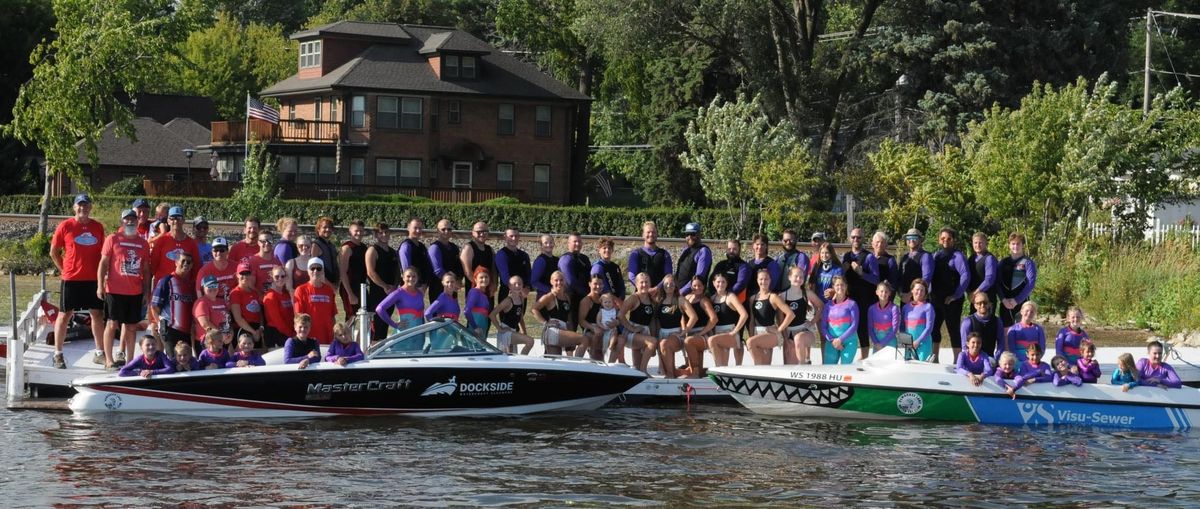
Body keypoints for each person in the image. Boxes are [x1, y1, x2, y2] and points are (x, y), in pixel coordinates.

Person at [50, 194, 108, 369]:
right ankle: (58, 354)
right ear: (74, 208)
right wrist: (64, 270)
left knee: (97, 315)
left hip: (92, 279)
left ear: (90, 207)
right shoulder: (65, 226)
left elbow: (103, 255)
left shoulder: (97, 227)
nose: (83, 208)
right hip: (71, 279)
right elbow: (54, 252)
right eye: (79, 205)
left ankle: (99, 353)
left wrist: (103, 276)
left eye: (86, 205)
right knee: (64, 315)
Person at [97, 208, 151, 369]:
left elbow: (147, 270)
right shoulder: (113, 238)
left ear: (137, 221)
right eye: (127, 219)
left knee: (131, 327)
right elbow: (103, 264)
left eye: (133, 219)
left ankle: (130, 362)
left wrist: (146, 292)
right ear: (122, 221)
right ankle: (109, 360)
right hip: (114, 290)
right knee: (112, 324)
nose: (130, 221)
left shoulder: (143, 243)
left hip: (134, 291)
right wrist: (100, 286)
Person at [931, 228, 970, 362]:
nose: (945, 241)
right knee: (934, 328)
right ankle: (934, 357)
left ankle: (957, 361)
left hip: (952, 300)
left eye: (949, 239)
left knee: (953, 330)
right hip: (936, 299)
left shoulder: (958, 256)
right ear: (939, 240)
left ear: (953, 240)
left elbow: (965, 276)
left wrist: (956, 295)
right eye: (943, 238)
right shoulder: (935, 255)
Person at [532, 271, 592, 357]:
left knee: (555, 362)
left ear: (565, 281)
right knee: (584, 340)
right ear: (551, 281)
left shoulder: (566, 297)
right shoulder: (550, 296)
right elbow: (534, 309)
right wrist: (545, 323)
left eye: (561, 280)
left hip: (561, 331)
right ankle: (577, 365)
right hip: (553, 331)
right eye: (556, 280)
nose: (559, 283)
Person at [150, 251, 196, 355]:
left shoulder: (190, 284)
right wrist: (160, 324)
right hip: (170, 329)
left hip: (186, 331)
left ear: (192, 265)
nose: (185, 264)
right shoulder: (166, 281)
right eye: (182, 261)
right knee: (173, 360)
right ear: (176, 262)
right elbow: (154, 306)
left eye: (188, 262)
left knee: (185, 362)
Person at [747, 269, 795, 365]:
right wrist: (751, 335)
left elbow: (791, 314)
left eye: (766, 279)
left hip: (770, 333)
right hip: (757, 333)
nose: (763, 281)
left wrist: (779, 330)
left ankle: (757, 370)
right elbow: (752, 320)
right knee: (765, 365)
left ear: (770, 280)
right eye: (761, 279)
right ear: (757, 280)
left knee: (750, 343)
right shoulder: (753, 298)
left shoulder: (773, 297)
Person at [655, 275, 698, 378]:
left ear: (675, 286)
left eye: (672, 283)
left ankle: (671, 375)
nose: (669, 286)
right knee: (664, 370)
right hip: (662, 333)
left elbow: (694, 317)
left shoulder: (680, 299)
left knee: (664, 344)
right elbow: (655, 321)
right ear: (663, 285)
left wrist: (684, 331)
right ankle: (685, 372)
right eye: (666, 284)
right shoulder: (659, 300)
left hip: (676, 335)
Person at [842, 227, 875, 359]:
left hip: (864, 297)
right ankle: (846, 355)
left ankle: (864, 358)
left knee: (862, 328)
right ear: (850, 238)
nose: (856, 239)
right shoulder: (846, 256)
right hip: (849, 297)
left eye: (859, 237)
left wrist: (862, 273)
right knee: (846, 326)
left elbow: (876, 279)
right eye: (853, 237)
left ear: (863, 239)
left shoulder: (869, 257)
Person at [780, 266, 823, 364]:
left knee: (798, 338)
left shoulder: (806, 293)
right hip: (789, 332)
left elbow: (821, 306)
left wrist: (812, 322)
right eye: (796, 276)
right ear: (789, 277)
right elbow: (780, 319)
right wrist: (785, 337)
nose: (799, 279)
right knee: (789, 366)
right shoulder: (782, 296)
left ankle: (803, 366)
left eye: (801, 277)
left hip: (804, 331)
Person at [364, 223, 399, 342]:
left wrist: (394, 287)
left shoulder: (393, 252)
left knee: (385, 323)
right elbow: (370, 272)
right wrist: (384, 286)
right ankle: (372, 350)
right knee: (376, 326)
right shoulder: (372, 250)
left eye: (386, 232)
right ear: (375, 234)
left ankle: (381, 348)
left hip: (391, 294)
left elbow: (397, 273)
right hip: (377, 294)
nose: (384, 235)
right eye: (381, 232)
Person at [706, 273, 749, 367]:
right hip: (717, 332)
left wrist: (735, 331)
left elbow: (744, 314)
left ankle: (720, 371)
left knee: (713, 341)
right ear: (713, 283)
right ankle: (720, 375)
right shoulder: (712, 298)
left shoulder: (730, 297)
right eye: (718, 282)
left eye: (723, 282)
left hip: (729, 332)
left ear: (726, 284)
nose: (720, 284)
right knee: (722, 364)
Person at [620, 272, 660, 373]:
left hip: (644, 333)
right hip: (631, 333)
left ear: (650, 283)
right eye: (641, 282)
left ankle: (640, 373)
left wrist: (653, 335)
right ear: (636, 284)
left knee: (637, 368)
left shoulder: (651, 300)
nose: (644, 285)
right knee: (652, 342)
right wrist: (631, 328)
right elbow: (620, 315)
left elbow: (652, 321)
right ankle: (644, 371)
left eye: (646, 282)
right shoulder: (634, 298)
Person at [293, 257, 337, 344]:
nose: (315, 271)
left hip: (327, 336)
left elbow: (332, 315)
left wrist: (334, 333)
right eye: (312, 268)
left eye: (319, 268)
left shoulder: (329, 290)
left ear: (323, 271)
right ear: (308, 271)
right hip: (309, 337)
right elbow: (299, 317)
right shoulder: (301, 290)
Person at [998, 232, 1037, 327]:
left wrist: (1017, 300)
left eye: (1018, 244)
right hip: (1005, 302)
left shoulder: (1028, 262)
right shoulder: (1003, 262)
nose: (1015, 246)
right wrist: (1003, 299)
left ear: (1023, 245)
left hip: (1021, 302)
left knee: (1021, 331)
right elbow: (997, 282)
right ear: (1009, 245)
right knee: (1005, 331)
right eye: (1013, 244)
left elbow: (1030, 283)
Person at [680, 276, 717, 377]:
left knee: (689, 341)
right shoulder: (687, 298)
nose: (697, 288)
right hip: (690, 332)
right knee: (689, 342)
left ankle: (695, 372)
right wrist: (685, 330)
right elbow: (682, 315)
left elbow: (714, 319)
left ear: (704, 286)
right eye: (694, 285)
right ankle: (699, 371)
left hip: (703, 333)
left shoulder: (704, 301)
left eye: (699, 285)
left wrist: (702, 332)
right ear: (691, 286)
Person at [491, 275, 535, 355]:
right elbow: (492, 315)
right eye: (514, 284)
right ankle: (522, 362)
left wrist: (524, 332)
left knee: (512, 355)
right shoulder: (508, 301)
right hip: (506, 331)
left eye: (519, 284)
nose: (517, 286)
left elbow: (520, 318)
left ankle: (518, 364)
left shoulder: (521, 299)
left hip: (514, 331)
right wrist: (500, 329)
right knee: (530, 341)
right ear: (509, 286)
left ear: (522, 286)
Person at [375, 268, 427, 335]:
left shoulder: (419, 293)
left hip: (419, 335)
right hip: (404, 335)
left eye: (414, 276)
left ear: (417, 278)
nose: (411, 279)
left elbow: (421, 314)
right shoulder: (398, 293)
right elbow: (379, 309)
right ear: (403, 277)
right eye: (408, 276)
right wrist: (394, 325)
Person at [820, 276, 857, 365]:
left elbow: (854, 325)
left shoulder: (852, 304)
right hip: (831, 342)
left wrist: (840, 340)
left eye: (842, 285)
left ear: (846, 286)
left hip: (849, 343)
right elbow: (823, 327)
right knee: (828, 370)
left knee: (845, 371)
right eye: (837, 285)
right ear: (833, 287)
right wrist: (833, 340)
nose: (840, 287)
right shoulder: (828, 306)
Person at [627, 221, 672, 290]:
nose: (651, 234)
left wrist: (656, 289)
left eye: (653, 232)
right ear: (643, 235)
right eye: (648, 232)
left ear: (657, 234)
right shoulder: (635, 254)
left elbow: (668, 276)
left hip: (659, 294)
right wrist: (644, 288)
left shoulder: (665, 254)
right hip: (641, 295)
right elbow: (631, 276)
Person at [960, 291, 1005, 359]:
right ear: (975, 305)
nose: (982, 305)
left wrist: (996, 358)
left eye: (985, 302)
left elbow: (1001, 343)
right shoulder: (968, 322)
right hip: (973, 360)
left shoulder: (997, 321)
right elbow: (964, 346)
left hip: (990, 359)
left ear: (989, 304)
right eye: (979, 303)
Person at [578, 276, 614, 360]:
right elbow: (581, 320)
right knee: (597, 336)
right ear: (589, 284)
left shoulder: (604, 298)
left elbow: (613, 313)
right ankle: (591, 355)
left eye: (600, 284)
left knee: (620, 339)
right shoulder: (586, 300)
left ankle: (611, 364)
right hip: (591, 330)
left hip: (604, 328)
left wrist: (615, 322)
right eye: (595, 284)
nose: (598, 286)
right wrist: (593, 328)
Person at [338, 220, 369, 318]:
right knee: (351, 317)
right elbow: (343, 273)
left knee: (364, 316)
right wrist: (350, 294)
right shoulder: (347, 248)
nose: (359, 233)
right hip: (350, 287)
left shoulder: (364, 247)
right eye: (356, 230)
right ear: (350, 231)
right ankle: (345, 334)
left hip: (362, 287)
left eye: (361, 230)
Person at [229, 262, 264, 348]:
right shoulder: (235, 293)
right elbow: (238, 318)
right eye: (242, 274)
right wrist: (253, 332)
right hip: (244, 329)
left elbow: (260, 314)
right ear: (237, 275)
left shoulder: (255, 292)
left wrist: (260, 329)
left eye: (247, 273)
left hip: (257, 330)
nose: (245, 276)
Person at [193, 275, 231, 353]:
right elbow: (205, 324)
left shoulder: (222, 301)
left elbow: (228, 320)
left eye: (215, 285)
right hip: (208, 342)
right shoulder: (201, 303)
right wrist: (220, 336)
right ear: (203, 288)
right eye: (209, 286)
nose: (212, 288)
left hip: (224, 340)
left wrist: (230, 334)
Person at [428, 218, 464, 299]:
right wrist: (452, 282)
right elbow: (438, 271)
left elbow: (459, 266)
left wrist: (459, 279)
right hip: (438, 288)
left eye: (449, 229)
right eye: (443, 229)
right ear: (437, 231)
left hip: (452, 288)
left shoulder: (454, 247)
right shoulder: (434, 248)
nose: (446, 231)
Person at [398, 217, 435, 296]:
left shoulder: (422, 246)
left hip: (421, 288)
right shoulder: (406, 246)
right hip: (410, 289)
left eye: (420, 228)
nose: (418, 231)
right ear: (408, 227)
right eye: (415, 228)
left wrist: (425, 284)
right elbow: (406, 270)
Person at [901, 279, 936, 362]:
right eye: (917, 290)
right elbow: (902, 326)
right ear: (912, 290)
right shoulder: (905, 307)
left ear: (925, 293)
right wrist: (903, 340)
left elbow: (929, 328)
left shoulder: (928, 307)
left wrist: (918, 342)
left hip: (923, 345)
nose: (919, 292)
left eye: (922, 290)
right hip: (908, 345)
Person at [261, 265, 295, 350]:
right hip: (276, 335)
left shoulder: (286, 294)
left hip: (288, 334)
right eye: (276, 276)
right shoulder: (270, 296)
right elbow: (277, 321)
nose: (280, 279)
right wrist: (292, 334)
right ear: (272, 277)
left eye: (283, 276)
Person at [898, 228, 933, 305]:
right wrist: (901, 294)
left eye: (914, 237)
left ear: (920, 240)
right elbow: (899, 277)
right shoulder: (905, 257)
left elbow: (926, 279)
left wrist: (910, 294)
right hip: (905, 299)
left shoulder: (925, 256)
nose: (911, 240)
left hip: (920, 299)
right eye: (909, 238)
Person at [676, 222, 712, 296]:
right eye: (687, 234)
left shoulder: (703, 251)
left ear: (699, 235)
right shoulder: (686, 251)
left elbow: (699, 277)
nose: (689, 237)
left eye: (693, 234)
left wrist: (681, 292)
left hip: (693, 295)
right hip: (680, 293)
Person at [495, 228, 531, 302]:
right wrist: (518, 289)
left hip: (523, 294)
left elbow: (529, 274)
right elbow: (505, 277)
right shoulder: (501, 255)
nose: (514, 238)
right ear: (505, 237)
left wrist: (527, 288)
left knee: (521, 314)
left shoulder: (524, 255)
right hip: (507, 294)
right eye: (511, 236)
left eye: (516, 236)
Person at [460, 221, 496, 292]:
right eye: (479, 232)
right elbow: (467, 272)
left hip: (487, 288)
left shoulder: (490, 249)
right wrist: (479, 286)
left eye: (485, 231)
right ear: (473, 233)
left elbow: (493, 270)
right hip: (474, 289)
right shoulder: (468, 248)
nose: (482, 234)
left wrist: (494, 284)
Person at [966, 232, 998, 312]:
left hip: (987, 299)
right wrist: (969, 292)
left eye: (980, 243)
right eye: (975, 243)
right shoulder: (971, 258)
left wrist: (975, 293)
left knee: (987, 323)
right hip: (975, 300)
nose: (978, 245)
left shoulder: (989, 258)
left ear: (985, 243)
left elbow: (989, 279)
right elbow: (967, 277)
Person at [863, 231, 900, 296]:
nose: (879, 245)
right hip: (868, 295)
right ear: (872, 244)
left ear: (886, 245)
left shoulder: (890, 260)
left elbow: (894, 282)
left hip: (883, 296)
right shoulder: (867, 258)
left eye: (882, 242)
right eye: (877, 242)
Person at [746, 234, 782, 299]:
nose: (759, 247)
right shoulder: (749, 263)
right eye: (757, 244)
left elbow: (773, 285)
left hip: (765, 298)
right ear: (753, 245)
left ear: (766, 246)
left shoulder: (772, 263)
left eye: (762, 244)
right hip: (750, 297)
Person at [867, 282, 900, 353]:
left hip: (890, 343)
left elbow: (894, 329)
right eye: (881, 291)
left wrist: (882, 344)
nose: (884, 294)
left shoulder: (894, 308)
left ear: (889, 293)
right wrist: (876, 343)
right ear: (877, 292)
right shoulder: (871, 309)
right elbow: (870, 328)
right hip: (877, 344)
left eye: (886, 292)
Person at [465, 270, 493, 341]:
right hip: (475, 331)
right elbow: (467, 311)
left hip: (482, 330)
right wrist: (475, 327)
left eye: (486, 277)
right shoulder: (474, 292)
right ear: (475, 279)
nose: (484, 279)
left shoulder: (484, 294)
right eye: (481, 277)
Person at [530, 234, 557, 299]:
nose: (549, 245)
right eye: (545, 243)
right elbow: (534, 281)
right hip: (544, 296)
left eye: (551, 242)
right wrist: (550, 290)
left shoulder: (557, 260)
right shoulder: (540, 261)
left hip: (556, 294)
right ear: (541, 245)